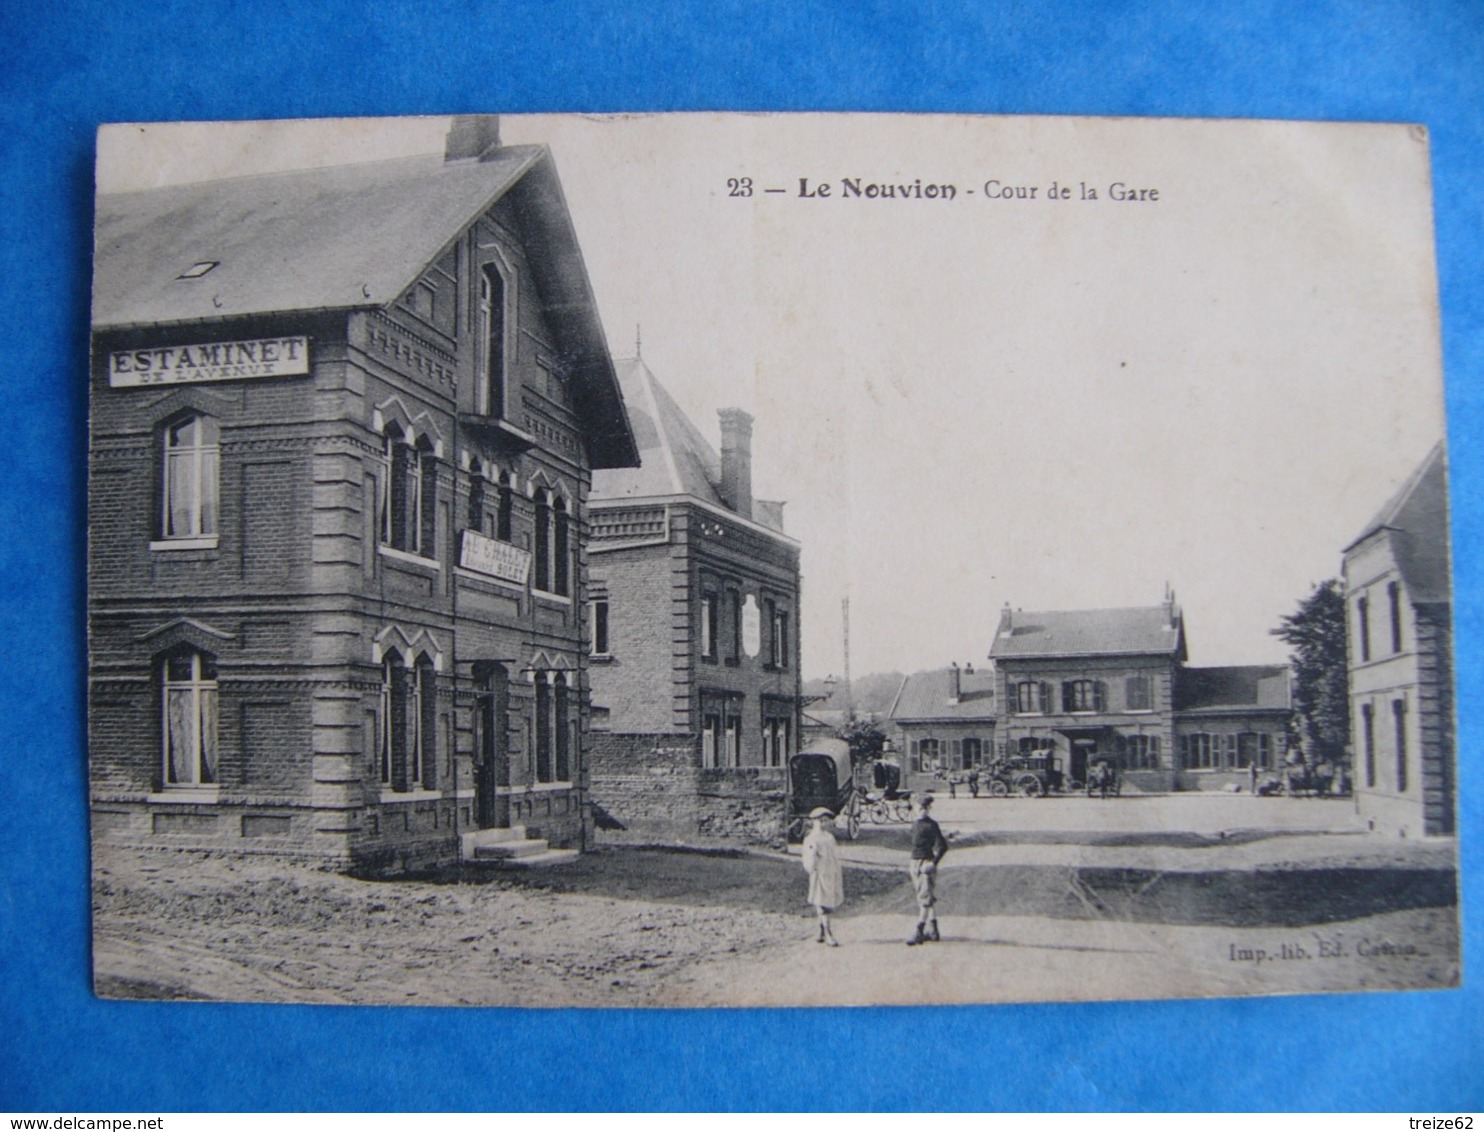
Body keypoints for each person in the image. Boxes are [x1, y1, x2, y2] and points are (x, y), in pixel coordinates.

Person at [906, 793, 949, 945]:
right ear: (915, 808)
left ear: (929, 808)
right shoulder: (915, 824)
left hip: (926, 863)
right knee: (924, 897)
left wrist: (934, 863)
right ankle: (934, 930)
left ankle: (919, 931)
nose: (923, 810)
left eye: (926, 808)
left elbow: (943, 846)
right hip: (914, 863)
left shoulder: (931, 825)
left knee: (924, 898)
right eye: (920, 807)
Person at [801, 806, 844, 946]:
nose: (823, 824)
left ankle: (820, 932)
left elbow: (835, 855)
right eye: (820, 821)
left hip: (830, 872)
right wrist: (812, 868)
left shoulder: (829, 837)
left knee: (827, 902)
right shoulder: (812, 839)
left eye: (826, 821)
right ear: (814, 822)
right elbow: (809, 858)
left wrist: (836, 869)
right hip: (819, 874)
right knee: (822, 905)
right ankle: (828, 933)